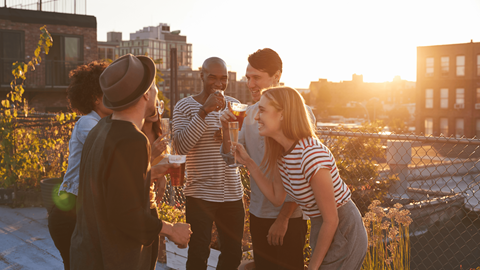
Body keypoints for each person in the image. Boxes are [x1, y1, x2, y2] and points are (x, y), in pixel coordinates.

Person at [70, 54, 191, 270]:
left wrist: (150, 174)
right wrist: (172, 230)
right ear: (145, 94)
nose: (156, 92)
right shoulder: (132, 140)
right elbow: (126, 215)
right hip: (113, 259)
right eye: (154, 87)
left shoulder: (101, 128)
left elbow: (111, 189)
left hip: (88, 253)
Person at [233, 87, 368, 270]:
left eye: (262, 110)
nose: (256, 117)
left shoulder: (311, 155)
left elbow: (332, 220)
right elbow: (276, 197)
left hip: (343, 228)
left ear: (282, 114)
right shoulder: (283, 154)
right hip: (322, 226)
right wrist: (248, 162)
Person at [220, 48, 314, 270]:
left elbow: (302, 174)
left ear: (277, 76)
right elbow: (230, 160)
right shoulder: (248, 113)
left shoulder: (301, 113)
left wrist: (283, 219)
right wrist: (227, 130)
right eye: (248, 77)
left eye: (257, 78)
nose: (250, 84)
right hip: (258, 213)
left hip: (290, 217)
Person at [172, 57, 245, 270]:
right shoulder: (184, 106)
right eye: (212, 77)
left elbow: (239, 152)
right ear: (201, 75)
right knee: (198, 253)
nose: (218, 83)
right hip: (200, 193)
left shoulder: (234, 107)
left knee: (233, 254)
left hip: (232, 192)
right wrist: (203, 112)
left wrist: (225, 134)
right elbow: (181, 147)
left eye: (223, 78)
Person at [48, 60, 112, 270]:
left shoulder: (104, 123)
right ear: (95, 98)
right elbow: (110, 153)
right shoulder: (88, 122)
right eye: (108, 93)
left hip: (81, 211)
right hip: (69, 212)